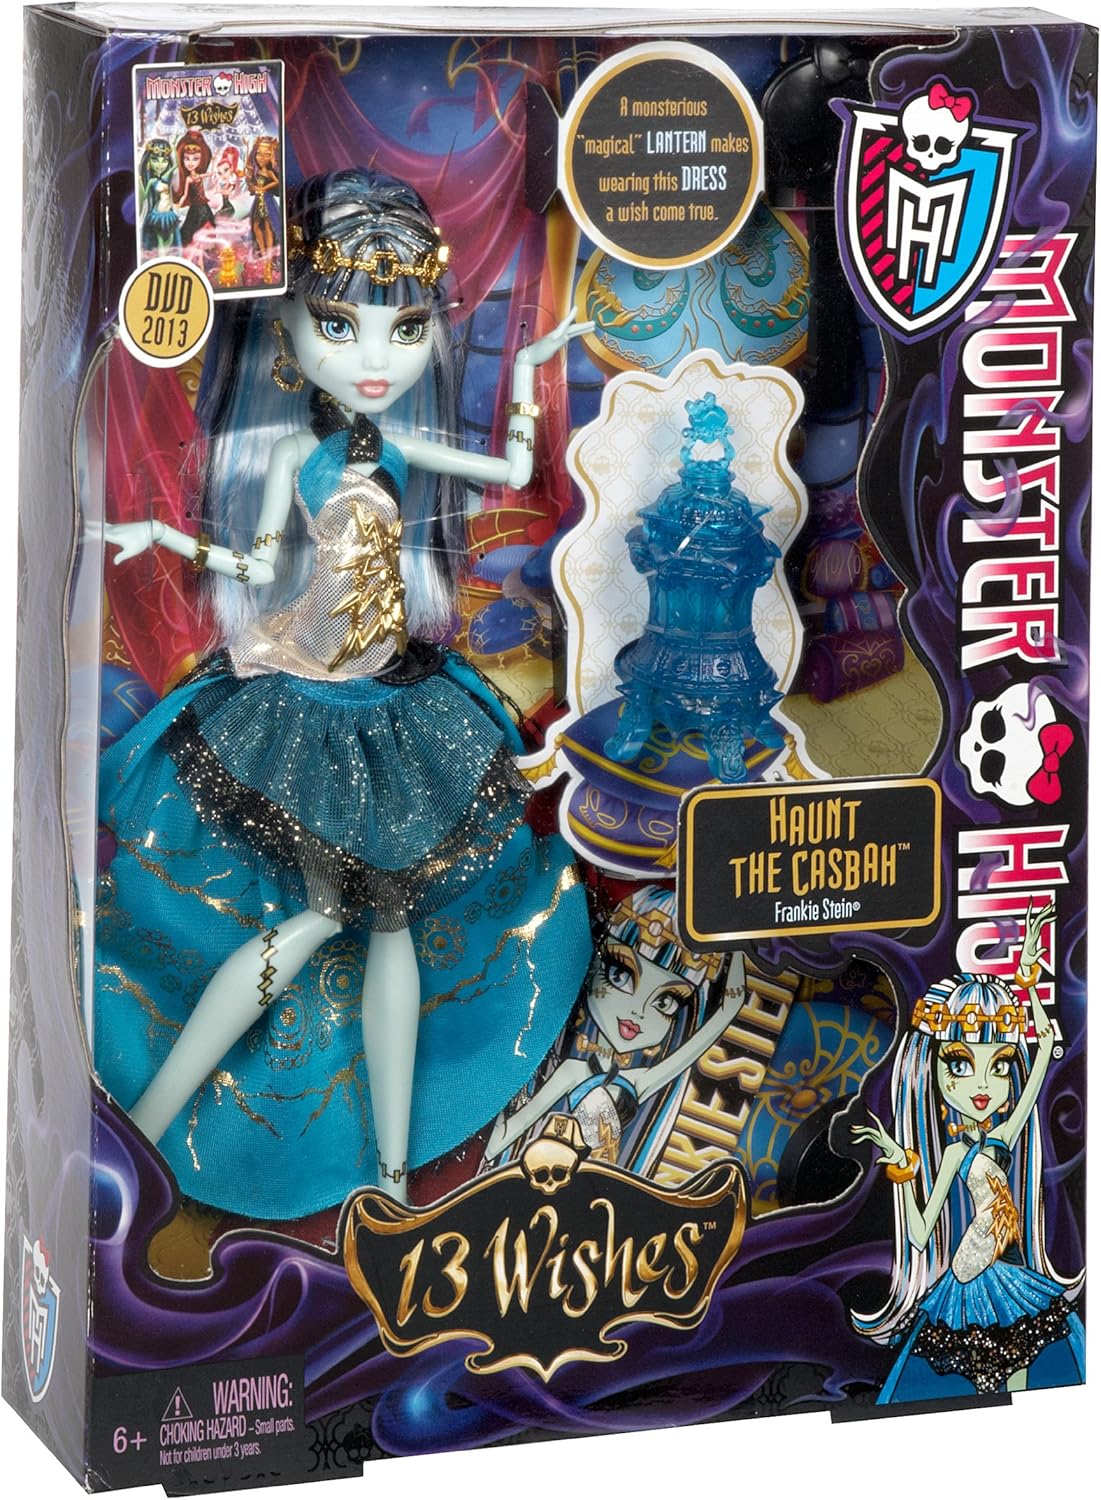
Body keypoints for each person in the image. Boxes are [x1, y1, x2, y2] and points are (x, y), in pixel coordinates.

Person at [95, 166, 593, 1215]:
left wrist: (527, 368)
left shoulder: (398, 448)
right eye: (338, 325)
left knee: (384, 922)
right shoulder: (296, 454)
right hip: (309, 702)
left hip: (396, 698)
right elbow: (251, 559)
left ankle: (396, 1174)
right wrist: (159, 536)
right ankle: (155, 1116)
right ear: (287, 330)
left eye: (405, 329)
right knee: (324, 919)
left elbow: (510, 473)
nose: (375, 360)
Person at [851, 897, 1084, 1400]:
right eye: (959, 1064)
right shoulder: (955, 1154)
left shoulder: (1002, 1138)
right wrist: (902, 1167)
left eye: (998, 1066)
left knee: (1024, 1364)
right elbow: (919, 1234)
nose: (983, 1085)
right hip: (963, 1278)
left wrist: (1028, 971)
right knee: (975, 1376)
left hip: (1004, 1271)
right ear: (929, 1068)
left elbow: (1042, 1051)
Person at [485, 884, 745, 1168]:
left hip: (599, 1180)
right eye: (620, 975)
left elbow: (729, 1007)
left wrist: (743, 936)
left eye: (666, 1001)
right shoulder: (578, 1071)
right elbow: (511, 1130)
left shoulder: (637, 1080)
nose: (638, 1011)